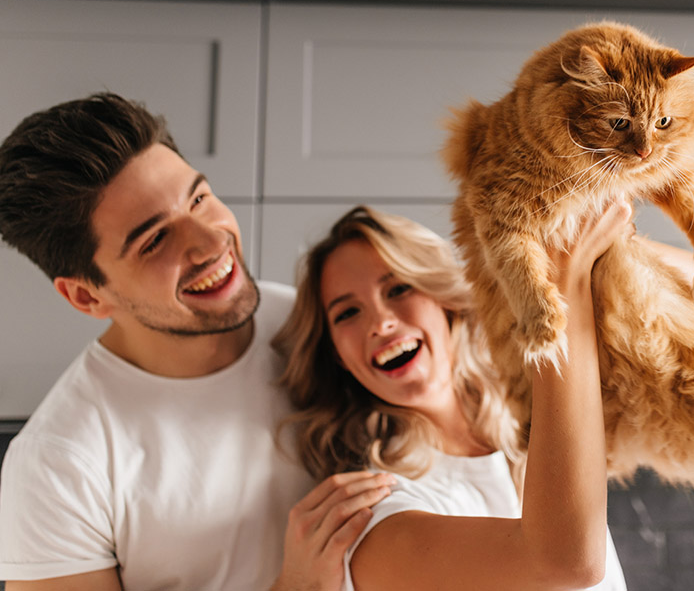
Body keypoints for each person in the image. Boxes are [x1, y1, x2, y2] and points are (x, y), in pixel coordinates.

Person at [0, 93, 389, 591]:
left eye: (199, 199)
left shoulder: (324, 325)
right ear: (86, 296)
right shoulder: (58, 463)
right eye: (154, 240)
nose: (210, 242)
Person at [274, 203, 641, 591]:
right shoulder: (371, 517)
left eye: (398, 289)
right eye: (348, 313)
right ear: (337, 356)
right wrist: (559, 289)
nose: (380, 322)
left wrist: (606, 238)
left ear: (443, 300)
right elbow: (567, 565)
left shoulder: (533, 429)